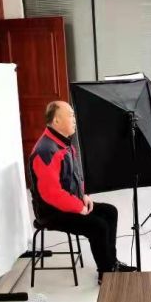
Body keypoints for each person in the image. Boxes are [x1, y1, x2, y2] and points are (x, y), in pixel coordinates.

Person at [29, 101, 136, 284]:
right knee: (98, 225)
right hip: (51, 212)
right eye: (70, 115)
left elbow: (75, 175)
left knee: (110, 212)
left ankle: (112, 263)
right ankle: (106, 273)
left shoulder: (64, 143)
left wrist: (84, 195)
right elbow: (51, 194)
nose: (74, 119)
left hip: (69, 203)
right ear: (56, 121)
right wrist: (78, 206)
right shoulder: (45, 151)